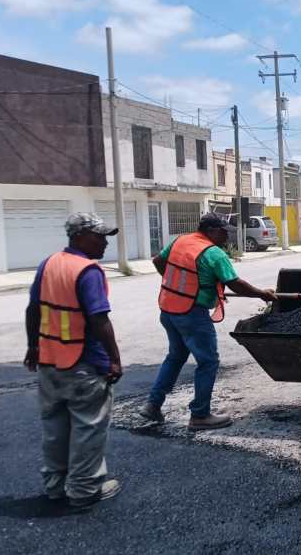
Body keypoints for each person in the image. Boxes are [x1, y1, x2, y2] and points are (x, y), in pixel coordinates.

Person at [140, 212, 276, 431]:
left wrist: (173, 284)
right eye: (224, 232)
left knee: (175, 356)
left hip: (168, 309)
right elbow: (236, 284)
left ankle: (153, 405)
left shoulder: (180, 240)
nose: (227, 236)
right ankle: (200, 415)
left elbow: (159, 261)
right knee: (208, 361)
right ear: (211, 231)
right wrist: (263, 294)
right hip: (192, 314)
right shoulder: (213, 254)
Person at [23, 212, 123, 509]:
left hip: (50, 362)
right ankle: (83, 490)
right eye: (99, 236)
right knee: (88, 427)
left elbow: (33, 309)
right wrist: (114, 360)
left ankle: (55, 486)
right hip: (82, 364)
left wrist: (33, 346)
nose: (105, 243)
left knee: (55, 427)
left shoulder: (49, 263)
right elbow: (98, 320)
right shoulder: (87, 271)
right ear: (79, 236)